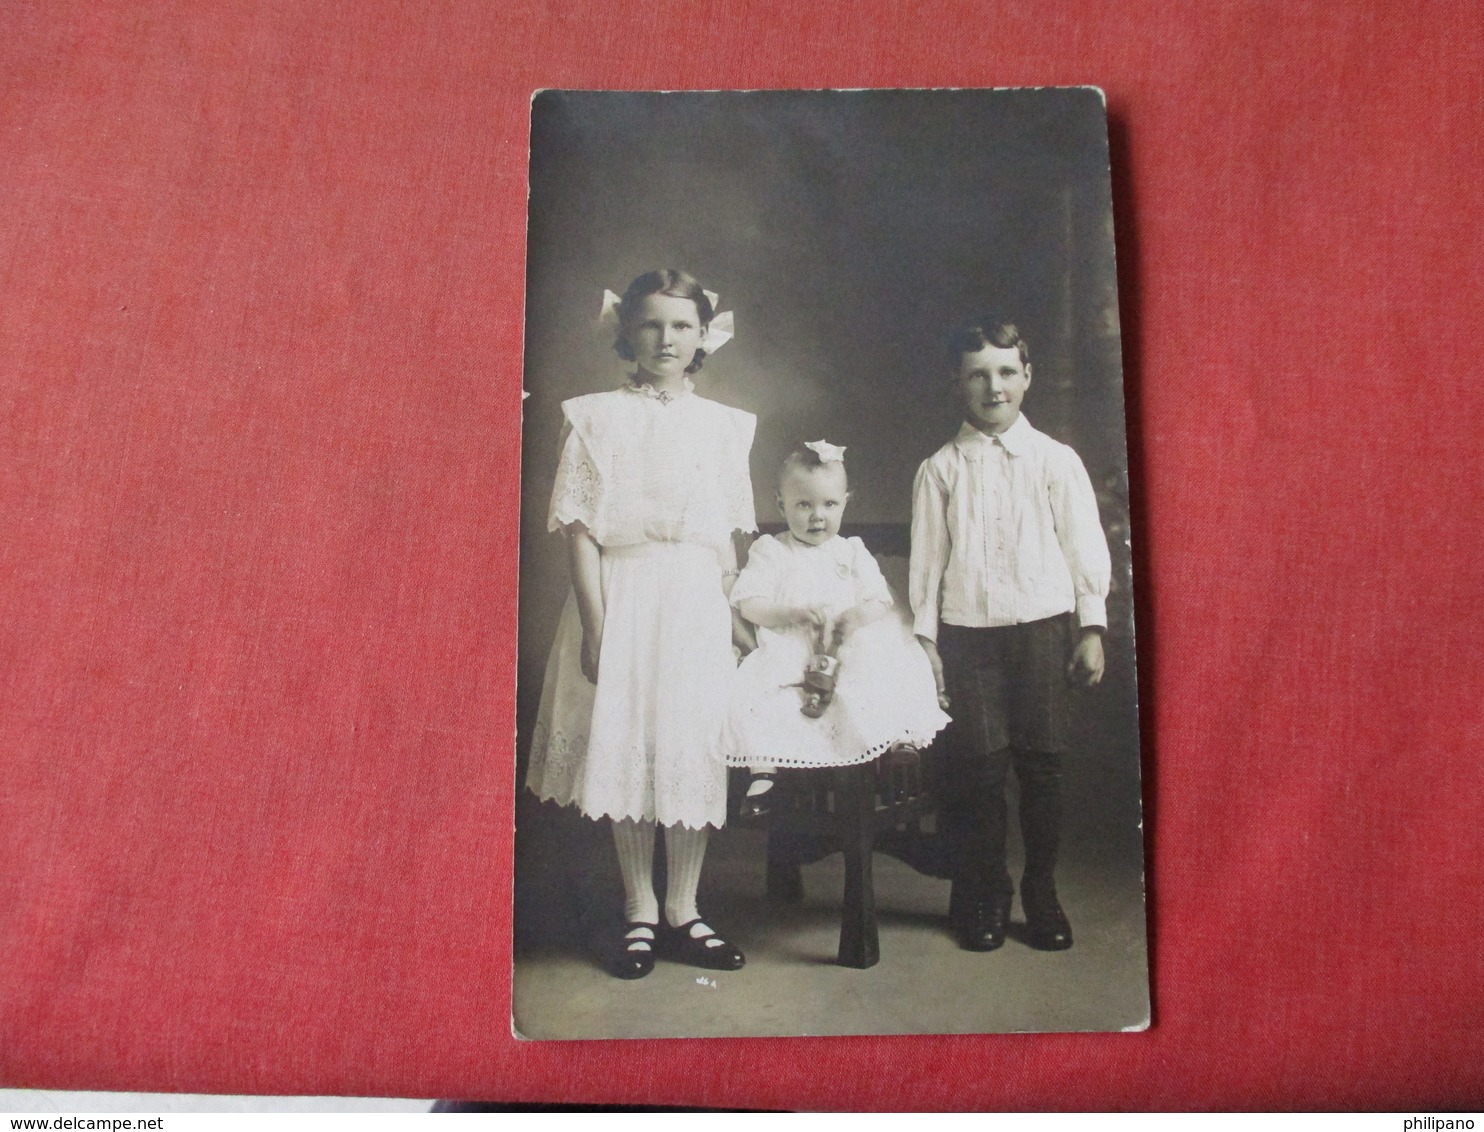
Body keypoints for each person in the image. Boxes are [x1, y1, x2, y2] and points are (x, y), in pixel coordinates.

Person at [526, 269, 756, 979]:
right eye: (652, 324)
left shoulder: (724, 426)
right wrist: (598, 626)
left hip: (691, 598)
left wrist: (732, 610)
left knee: (687, 745)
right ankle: (640, 909)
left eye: (681, 326)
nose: (666, 339)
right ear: (626, 332)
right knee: (631, 748)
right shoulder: (597, 418)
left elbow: (724, 539)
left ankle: (686, 909)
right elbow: (581, 533)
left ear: (701, 337)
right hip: (622, 593)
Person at [909, 315, 1111, 953]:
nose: (992, 386)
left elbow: (1083, 547)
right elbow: (927, 565)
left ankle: (1041, 890)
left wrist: (1091, 627)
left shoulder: (1055, 460)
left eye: (1005, 371)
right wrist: (927, 642)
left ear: (1027, 377)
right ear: (957, 384)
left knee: (1044, 767)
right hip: (969, 638)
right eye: (977, 374)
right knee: (978, 771)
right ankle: (985, 890)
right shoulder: (939, 469)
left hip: (1043, 632)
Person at [723, 442, 949, 814]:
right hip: (792, 646)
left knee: (880, 663)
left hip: (847, 644)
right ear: (781, 505)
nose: (817, 517)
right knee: (758, 692)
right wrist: (789, 614)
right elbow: (749, 603)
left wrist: (856, 617)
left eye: (829, 505)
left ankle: (897, 740)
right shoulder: (771, 551)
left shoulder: (852, 551)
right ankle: (764, 770)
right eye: (803, 505)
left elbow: (879, 600)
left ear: (846, 502)